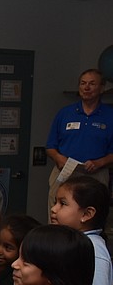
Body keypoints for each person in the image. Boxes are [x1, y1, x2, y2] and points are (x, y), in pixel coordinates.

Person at [46, 68, 113, 216]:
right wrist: (58, 158)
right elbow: (50, 146)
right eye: (83, 83)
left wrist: (100, 162)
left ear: (102, 88)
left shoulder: (110, 116)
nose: (86, 87)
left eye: (92, 84)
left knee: (93, 215)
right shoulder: (65, 113)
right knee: (58, 214)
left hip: (95, 173)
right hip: (65, 171)